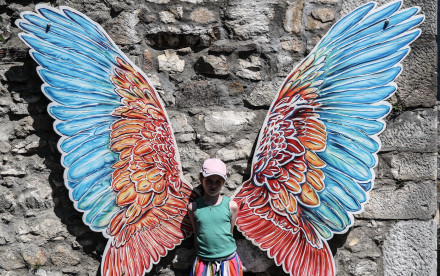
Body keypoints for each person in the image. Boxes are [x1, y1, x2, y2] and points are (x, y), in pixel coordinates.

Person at [187, 158, 243, 276]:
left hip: (228, 263)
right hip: (204, 263)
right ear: (201, 179)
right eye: (209, 180)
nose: (213, 185)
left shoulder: (231, 206)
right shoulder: (193, 208)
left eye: (218, 181)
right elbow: (197, 235)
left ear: (224, 181)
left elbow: (230, 232)